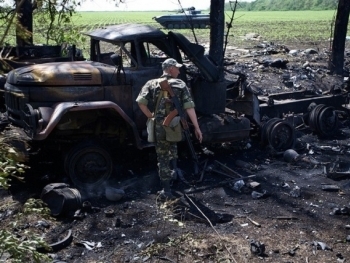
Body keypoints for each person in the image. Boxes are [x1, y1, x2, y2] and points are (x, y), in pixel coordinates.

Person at [136, 58, 202, 199]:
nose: (179, 71)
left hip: (159, 126)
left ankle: (167, 188)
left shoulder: (151, 83)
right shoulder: (180, 83)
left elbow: (140, 102)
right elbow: (189, 107)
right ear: (171, 68)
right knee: (172, 150)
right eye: (177, 68)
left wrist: (151, 116)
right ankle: (170, 184)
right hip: (174, 124)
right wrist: (197, 128)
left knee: (163, 157)